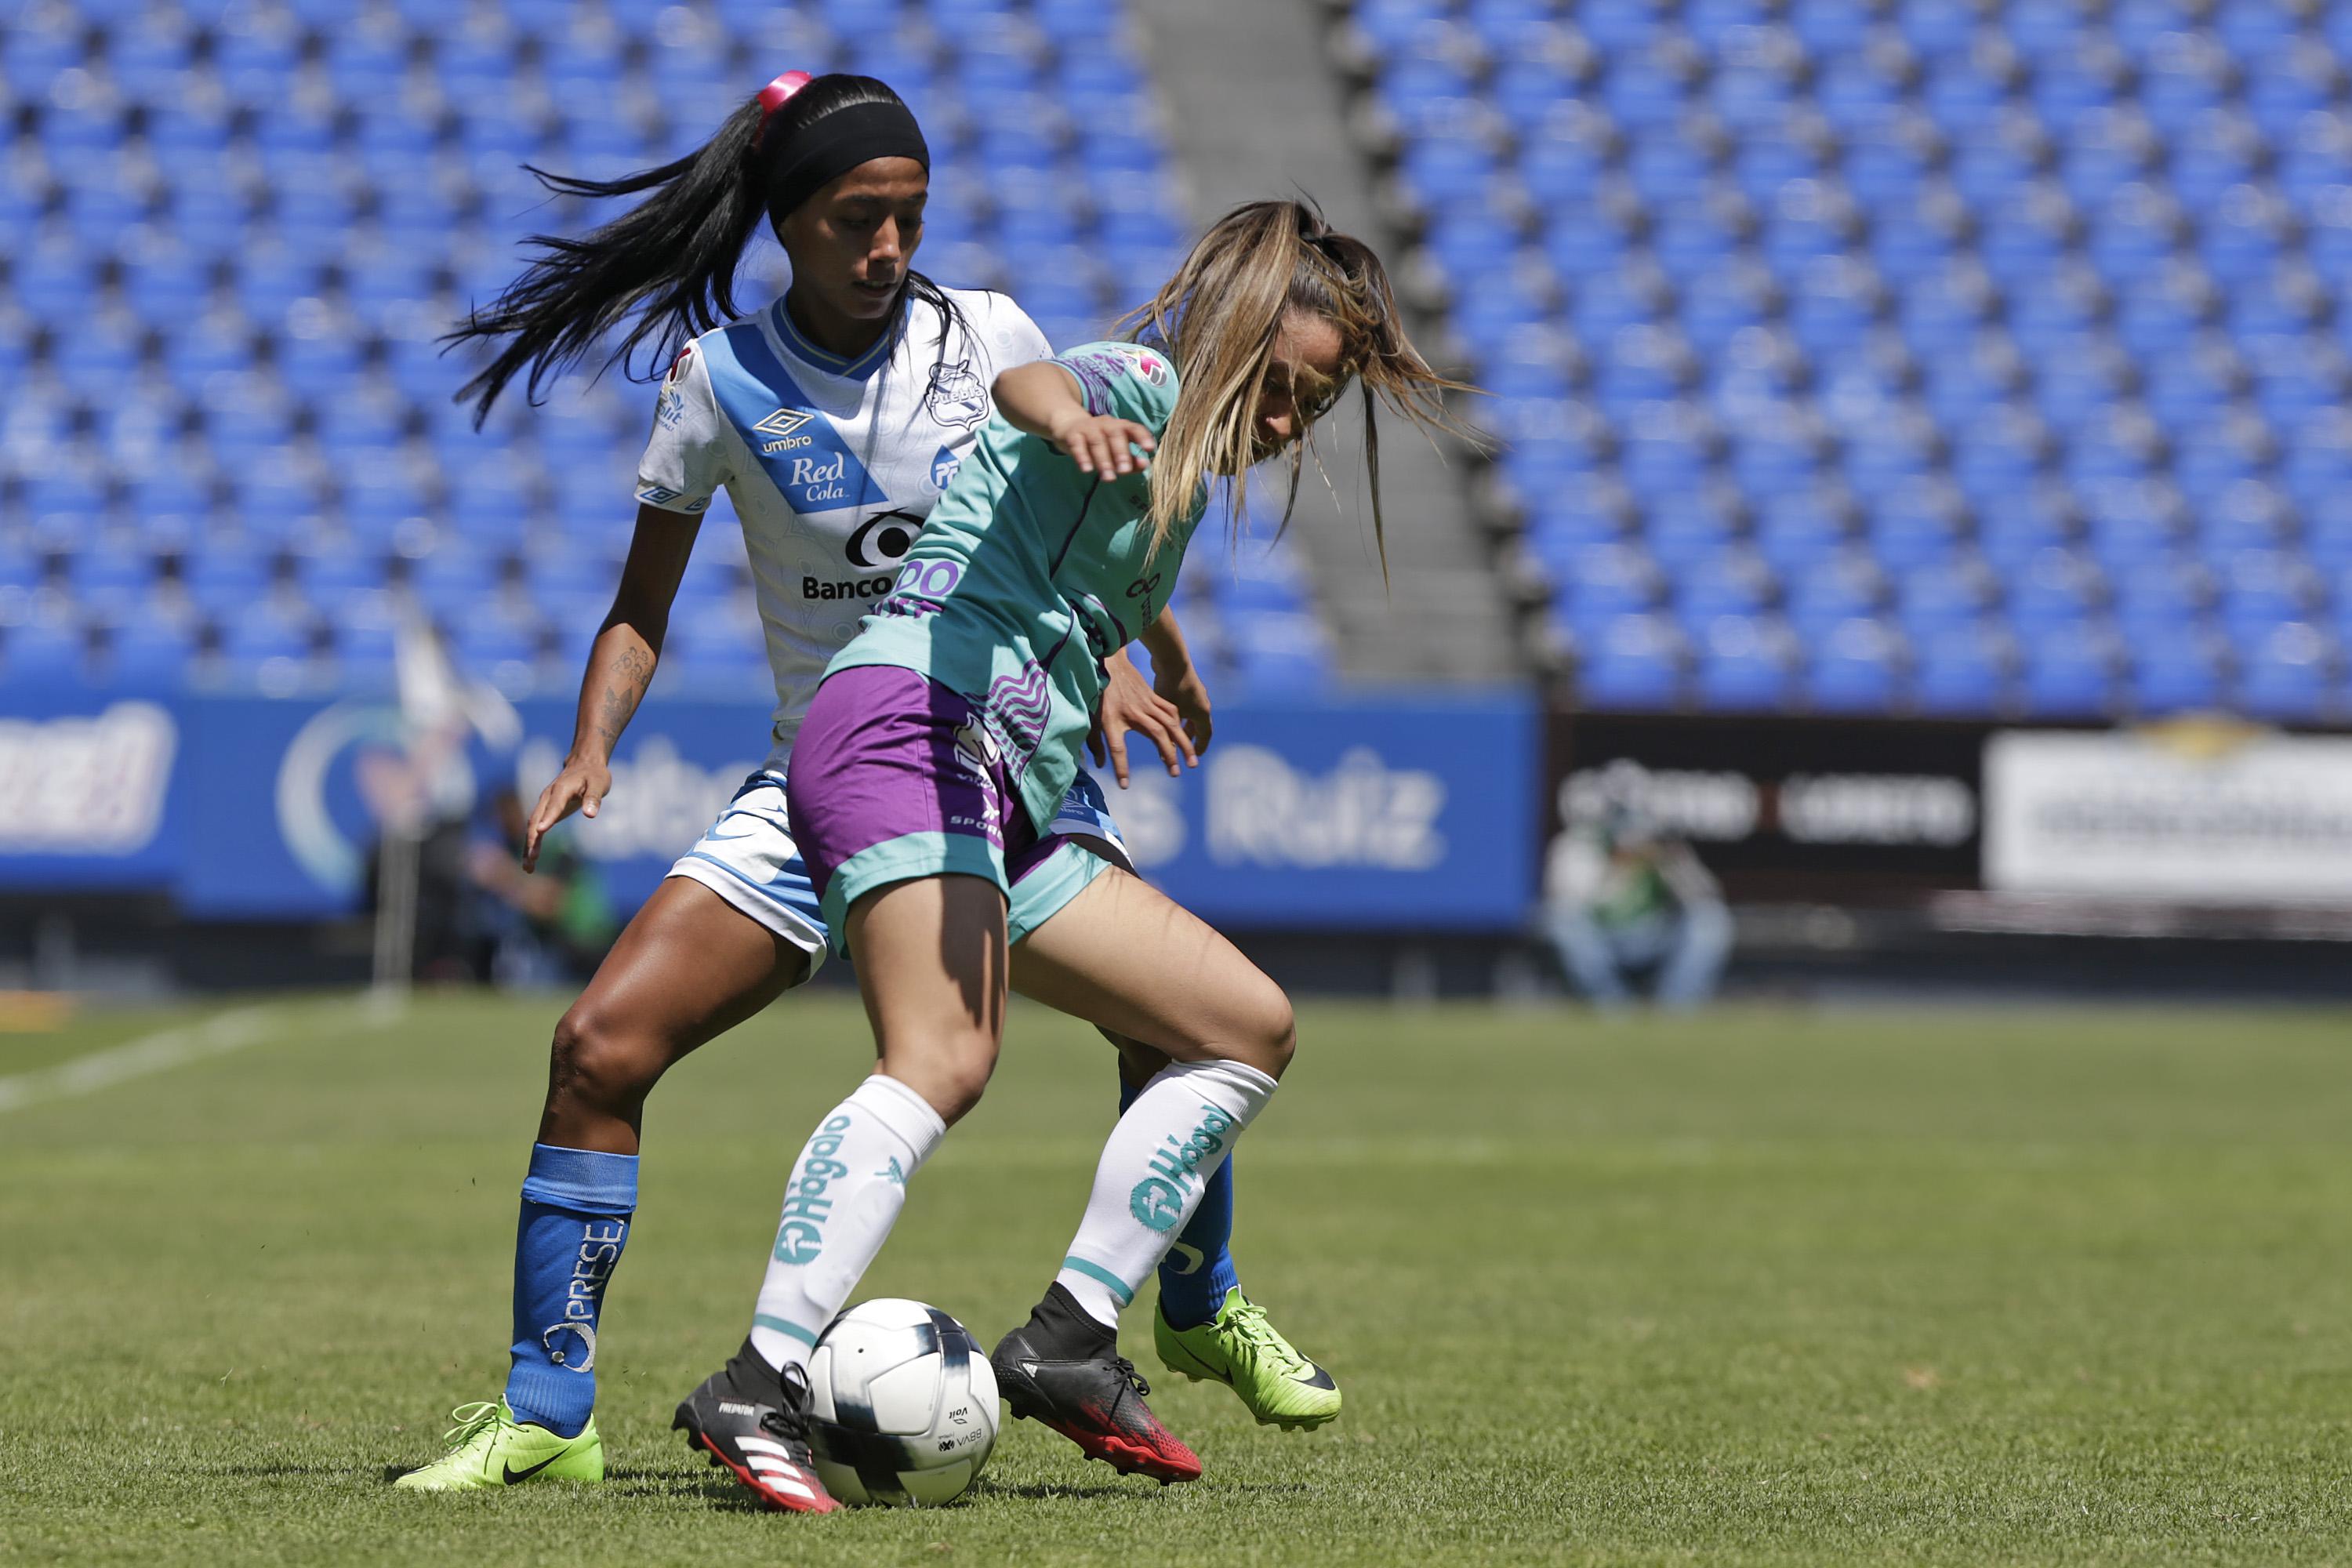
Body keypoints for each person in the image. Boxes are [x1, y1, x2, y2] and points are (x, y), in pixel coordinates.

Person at [394, 74, 1335, 1498]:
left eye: (911, 215)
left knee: (1184, 1024)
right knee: (599, 1049)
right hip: (842, 751)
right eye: (858, 218)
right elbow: (639, 605)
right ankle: (549, 1403)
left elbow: (1089, 503)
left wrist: (1139, 657)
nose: (891, 246)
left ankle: (1191, 1306)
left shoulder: (990, 335)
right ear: (788, 224)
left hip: (1005, 747)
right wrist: (592, 747)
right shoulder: (719, 383)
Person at [703, 198, 1461, 1508]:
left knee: (1242, 1026)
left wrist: (1154, 660)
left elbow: (1099, 580)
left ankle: (1070, 1338)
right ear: (1233, 336)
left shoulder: (1170, 491)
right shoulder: (1141, 385)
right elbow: (1028, 382)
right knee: (943, 1057)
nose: (1288, 427)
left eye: (1315, 413)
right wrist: (1067, 417)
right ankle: (758, 1380)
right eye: (1285, 391)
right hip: (904, 724)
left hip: (999, 786)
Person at [1542, 802, 1733, 1010]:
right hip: (1604, 938)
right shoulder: (1583, 845)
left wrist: (1670, 864)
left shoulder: (1665, 848)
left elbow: (1706, 896)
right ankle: (1613, 1010)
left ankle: (1675, 1012)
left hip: (1654, 935)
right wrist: (1618, 868)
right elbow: (1568, 901)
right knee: (1561, 919)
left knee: (1710, 920)